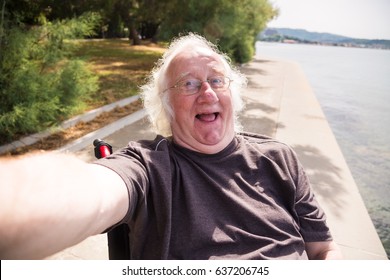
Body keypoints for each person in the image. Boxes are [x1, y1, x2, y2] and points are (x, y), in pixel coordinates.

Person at [0, 33, 342, 260]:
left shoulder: (279, 158)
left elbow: (324, 248)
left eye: (216, 81)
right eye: (189, 84)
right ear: (166, 105)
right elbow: (88, 192)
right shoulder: (149, 167)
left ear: (231, 95)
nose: (207, 93)